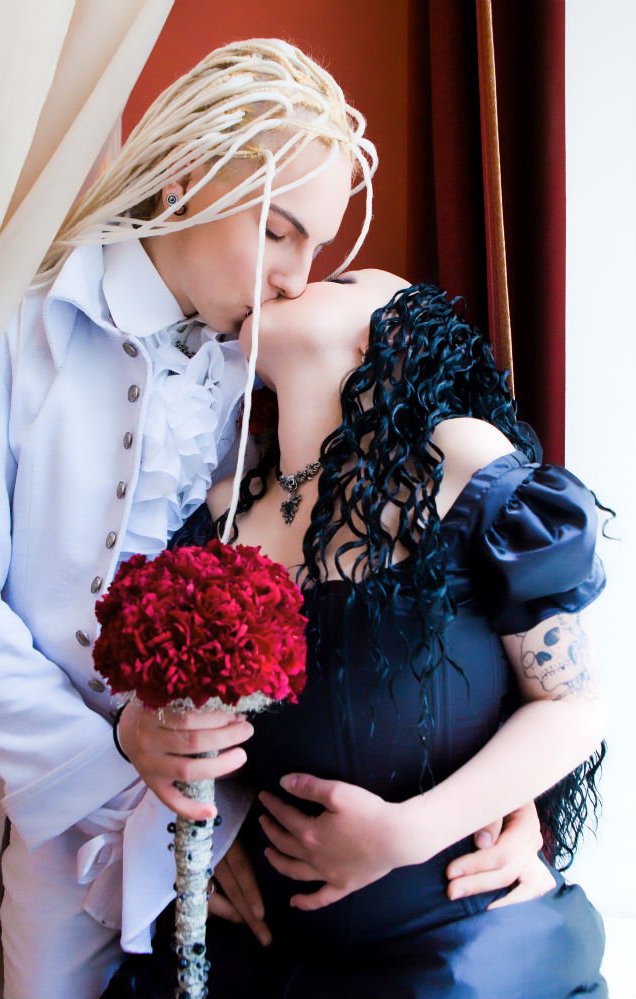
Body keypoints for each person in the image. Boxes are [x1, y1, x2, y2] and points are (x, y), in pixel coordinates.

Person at [0, 40, 544, 999]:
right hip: (57, 815)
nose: (296, 278)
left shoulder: (280, 362)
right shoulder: (19, 330)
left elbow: (395, 603)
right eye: (279, 232)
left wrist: (493, 799)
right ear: (191, 175)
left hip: (244, 826)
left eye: (318, 250)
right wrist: (115, 770)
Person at [119, 270, 605, 998]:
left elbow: (573, 705)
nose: (292, 277)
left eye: (341, 276)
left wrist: (411, 832)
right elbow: (187, 720)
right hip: (262, 942)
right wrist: (191, 808)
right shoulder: (218, 510)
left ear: (395, 336)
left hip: (455, 940)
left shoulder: (459, 463)